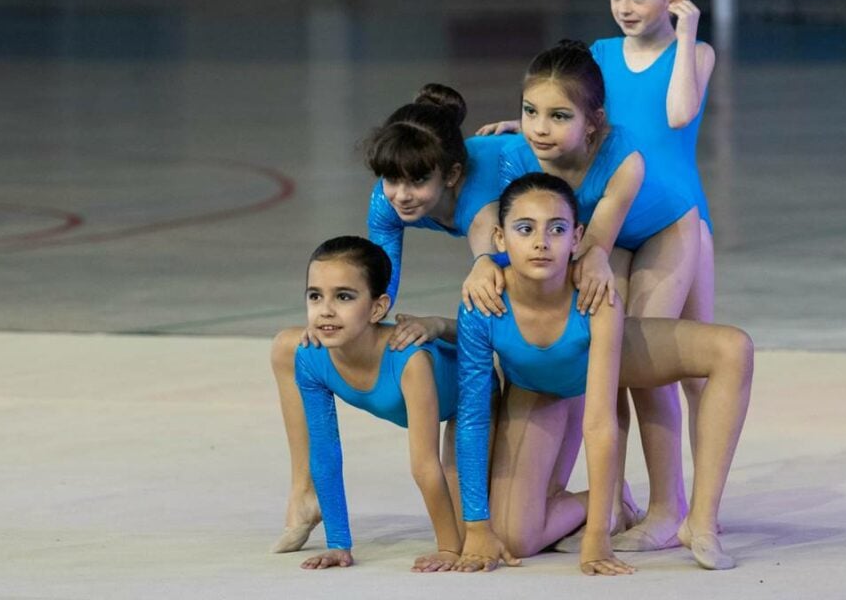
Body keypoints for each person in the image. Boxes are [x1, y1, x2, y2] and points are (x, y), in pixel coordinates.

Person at [478, 0, 718, 550]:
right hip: (608, 227)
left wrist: (688, 29)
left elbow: (677, 114)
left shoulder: (693, 53)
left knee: (654, 370)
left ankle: (674, 508)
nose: (624, 8)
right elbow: (575, 111)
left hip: (672, 222)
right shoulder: (600, 55)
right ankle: (615, 498)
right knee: (605, 363)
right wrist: (532, 123)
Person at [454, 173, 752, 574]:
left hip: (600, 366)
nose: (541, 242)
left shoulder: (592, 293)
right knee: (518, 538)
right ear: (500, 239)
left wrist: (597, 538)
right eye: (525, 229)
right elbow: (472, 420)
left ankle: (700, 519)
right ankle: (608, 498)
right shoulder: (482, 301)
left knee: (732, 348)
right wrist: (476, 526)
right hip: (536, 391)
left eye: (556, 229)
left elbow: (599, 422)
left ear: (577, 238)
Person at [271, 84, 508, 553]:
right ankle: (305, 492)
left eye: (416, 182)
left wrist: (437, 326)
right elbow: (378, 286)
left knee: (504, 526)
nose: (400, 195)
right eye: (391, 180)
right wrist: (341, 328)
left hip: (550, 211)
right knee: (288, 345)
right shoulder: (388, 199)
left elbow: (490, 320)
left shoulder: (485, 213)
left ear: (453, 175)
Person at [288, 235, 474, 572]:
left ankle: (594, 508)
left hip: (479, 400)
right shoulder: (311, 358)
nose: (326, 309)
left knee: (502, 533)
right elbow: (325, 452)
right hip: (446, 408)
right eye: (315, 296)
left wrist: (448, 548)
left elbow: (424, 464)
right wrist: (338, 543)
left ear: (378, 307)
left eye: (344, 296)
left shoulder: (408, 360)